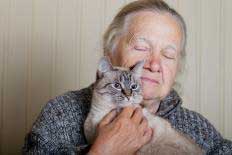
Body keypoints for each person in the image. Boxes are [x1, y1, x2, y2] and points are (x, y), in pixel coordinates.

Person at [23, 0, 232, 154]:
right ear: (110, 52)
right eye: (142, 47)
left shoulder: (199, 128)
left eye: (168, 55)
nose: (154, 65)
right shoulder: (61, 114)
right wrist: (102, 151)